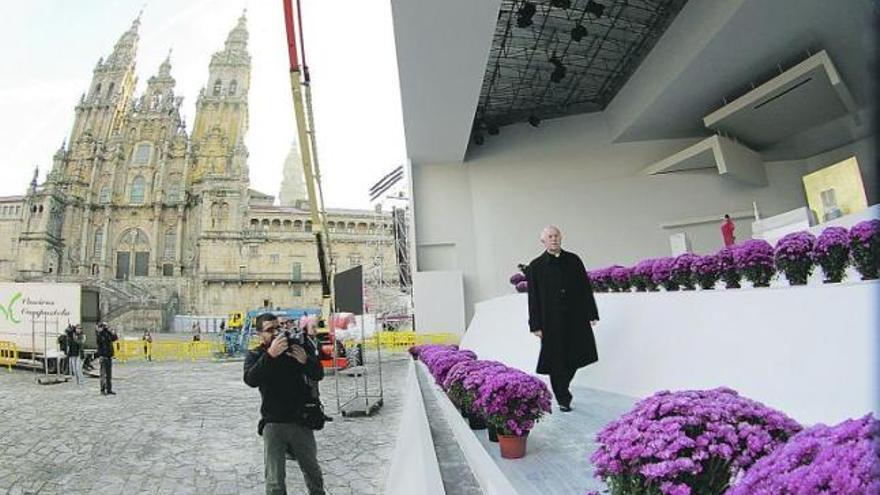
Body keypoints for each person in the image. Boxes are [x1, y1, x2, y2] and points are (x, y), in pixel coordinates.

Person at [244, 313, 326, 495]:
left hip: (301, 421)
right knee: (275, 482)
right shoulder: (256, 354)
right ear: (259, 334)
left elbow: (318, 374)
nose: (275, 333)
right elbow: (250, 379)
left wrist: (305, 360)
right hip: (273, 423)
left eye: (277, 328)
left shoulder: (296, 347)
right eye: (269, 330)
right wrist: (270, 355)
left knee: (313, 474)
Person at [527, 225, 600, 412]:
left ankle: (562, 387)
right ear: (543, 241)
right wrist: (535, 325)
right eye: (550, 236)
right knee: (555, 359)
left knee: (577, 355)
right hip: (550, 321)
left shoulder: (574, 260)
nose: (553, 239)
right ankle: (562, 397)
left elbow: (585, 288)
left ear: (561, 238)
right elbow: (533, 298)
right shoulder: (536, 266)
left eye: (556, 235)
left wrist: (591, 313)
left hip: (575, 317)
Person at [96, 323, 119, 395]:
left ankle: (109, 389)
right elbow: (101, 342)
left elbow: (114, 338)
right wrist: (102, 331)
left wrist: (112, 332)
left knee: (109, 374)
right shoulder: (100, 335)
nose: (106, 327)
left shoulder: (108, 334)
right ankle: (102, 390)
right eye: (104, 326)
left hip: (109, 356)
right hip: (103, 356)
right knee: (103, 374)